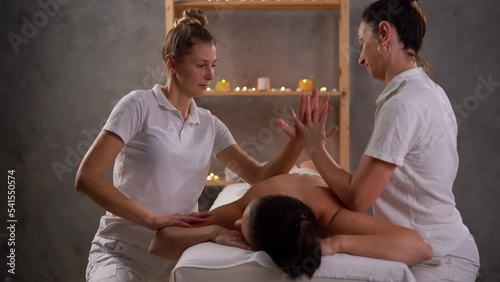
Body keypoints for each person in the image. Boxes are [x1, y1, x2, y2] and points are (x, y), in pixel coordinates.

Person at [76, 9, 307, 281]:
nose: (210, 75)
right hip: (122, 254)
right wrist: (152, 220)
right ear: (172, 64)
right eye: (201, 65)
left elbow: (259, 178)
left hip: (178, 257)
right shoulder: (138, 105)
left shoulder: (209, 124)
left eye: (214, 65)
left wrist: (297, 144)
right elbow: (87, 178)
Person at [286, 0, 480, 281]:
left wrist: (315, 147)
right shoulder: (427, 90)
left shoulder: (404, 103)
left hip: (438, 258)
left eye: (362, 42)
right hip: (422, 247)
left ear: (385, 35)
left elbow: (358, 197)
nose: (360, 58)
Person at [149, 167, 434, 280]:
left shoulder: (332, 217)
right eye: (243, 221)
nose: (235, 223)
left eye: (241, 230)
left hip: (313, 177)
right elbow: (159, 241)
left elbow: (421, 247)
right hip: (297, 171)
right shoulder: (248, 203)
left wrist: (339, 242)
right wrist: (212, 231)